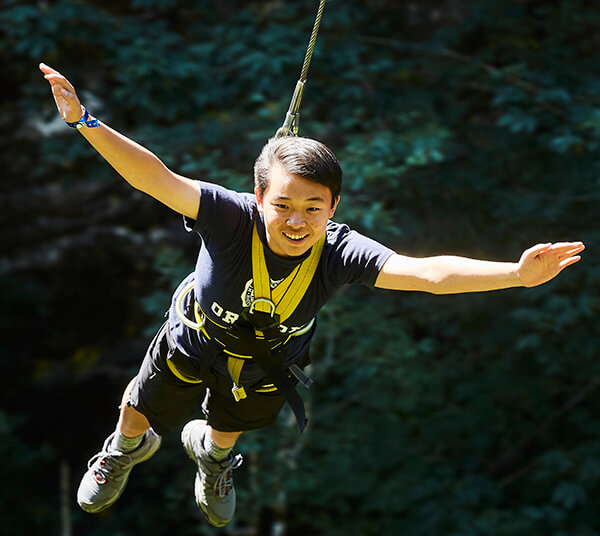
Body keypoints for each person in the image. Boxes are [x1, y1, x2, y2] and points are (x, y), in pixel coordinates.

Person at [40, 62, 585, 528]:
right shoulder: (230, 218)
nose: (297, 221)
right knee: (140, 408)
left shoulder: (341, 251)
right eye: (283, 205)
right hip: (194, 333)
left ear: (334, 205)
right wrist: (86, 122)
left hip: (266, 357)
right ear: (259, 198)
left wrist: (514, 274)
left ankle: (211, 456)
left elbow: (427, 274)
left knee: (229, 427)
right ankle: (124, 450)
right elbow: (154, 177)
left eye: (313, 208)